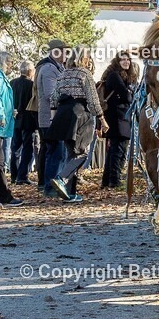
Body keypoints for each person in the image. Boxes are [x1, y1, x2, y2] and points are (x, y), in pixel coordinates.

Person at [46, 47, 107, 203]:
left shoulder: (62, 75)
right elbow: (93, 100)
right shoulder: (84, 74)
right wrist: (102, 119)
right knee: (82, 153)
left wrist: (54, 120)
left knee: (72, 154)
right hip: (81, 114)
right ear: (84, 58)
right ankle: (61, 178)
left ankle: (69, 193)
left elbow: (53, 99)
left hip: (62, 114)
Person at [33, 39, 69, 192]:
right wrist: (69, 95)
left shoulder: (57, 67)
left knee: (56, 154)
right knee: (55, 154)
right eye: (65, 51)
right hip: (50, 119)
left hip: (55, 119)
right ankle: (50, 187)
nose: (67, 54)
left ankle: (51, 186)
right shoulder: (49, 69)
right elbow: (50, 94)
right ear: (56, 52)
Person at [101, 51, 139, 189]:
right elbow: (127, 97)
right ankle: (114, 180)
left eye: (128, 59)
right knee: (119, 149)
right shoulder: (115, 76)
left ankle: (107, 181)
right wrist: (130, 92)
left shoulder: (124, 77)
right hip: (117, 117)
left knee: (114, 150)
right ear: (117, 61)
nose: (126, 62)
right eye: (122, 60)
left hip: (120, 116)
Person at [0, 51, 22, 207]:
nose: (11, 65)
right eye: (9, 62)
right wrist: (2, 115)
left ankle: (5, 195)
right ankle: (5, 196)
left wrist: (10, 112)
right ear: (3, 62)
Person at [10, 60, 38, 185]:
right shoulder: (31, 85)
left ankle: (14, 175)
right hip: (28, 119)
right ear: (30, 71)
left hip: (15, 119)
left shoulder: (12, 83)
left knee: (15, 148)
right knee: (27, 148)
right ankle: (22, 176)